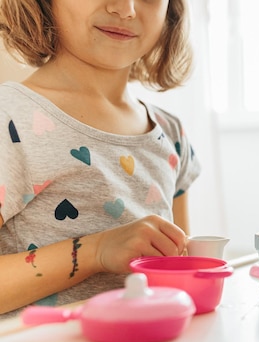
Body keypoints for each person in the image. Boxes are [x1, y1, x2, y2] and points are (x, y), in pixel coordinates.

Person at [0, 0, 201, 317]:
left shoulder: (170, 133)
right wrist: (96, 251)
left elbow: (176, 269)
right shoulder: (10, 119)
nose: (126, 9)